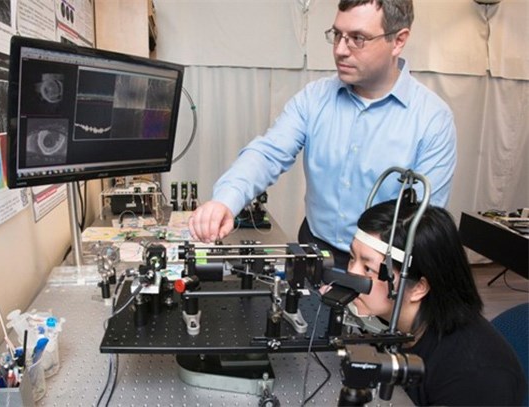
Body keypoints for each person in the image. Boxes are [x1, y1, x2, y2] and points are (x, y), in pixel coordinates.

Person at [188, 0, 457, 269]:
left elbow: (421, 220)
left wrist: (364, 271)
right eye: (337, 35)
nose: (340, 50)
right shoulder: (314, 98)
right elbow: (268, 153)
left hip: (382, 266)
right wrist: (226, 200)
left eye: (357, 39)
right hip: (315, 250)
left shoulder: (433, 119)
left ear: (398, 40)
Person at [346, 200, 526, 406]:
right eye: (352, 258)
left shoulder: (474, 376)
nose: (352, 274)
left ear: (419, 288)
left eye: (368, 269)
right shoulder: (392, 324)